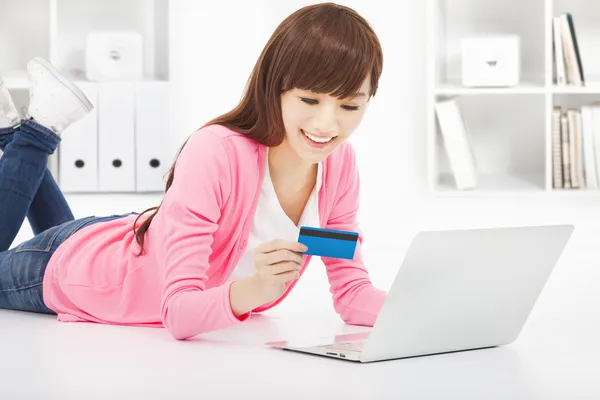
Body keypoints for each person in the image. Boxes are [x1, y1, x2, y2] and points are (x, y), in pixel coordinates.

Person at [0, 2, 387, 340]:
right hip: (80, 274)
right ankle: (33, 134)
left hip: (127, 238)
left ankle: (13, 134)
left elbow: (352, 291)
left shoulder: (339, 165)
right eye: (309, 99)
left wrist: (435, 310)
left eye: (350, 107)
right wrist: (256, 288)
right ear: (277, 87)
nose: (326, 124)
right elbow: (179, 312)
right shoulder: (218, 151)